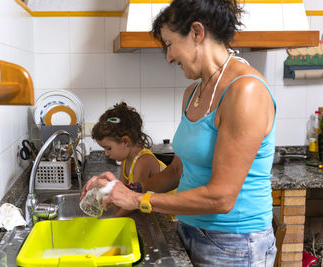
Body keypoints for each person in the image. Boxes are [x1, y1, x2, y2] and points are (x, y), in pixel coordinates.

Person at [81, 0, 277, 265]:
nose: (169, 57)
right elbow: (176, 172)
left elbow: (221, 198)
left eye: (170, 44)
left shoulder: (245, 91)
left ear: (197, 32)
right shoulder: (192, 93)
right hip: (188, 230)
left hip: (234, 244)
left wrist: (137, 199)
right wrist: (125, 189)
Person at [91, 102, 168, 217]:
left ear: (125, 141)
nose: (106, 154)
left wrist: (115, 219)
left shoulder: (143, 162)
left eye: (108, 148)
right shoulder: (126, 160)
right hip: (150, 208)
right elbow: (121, 191)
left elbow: (134, 200)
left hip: (169, 214)